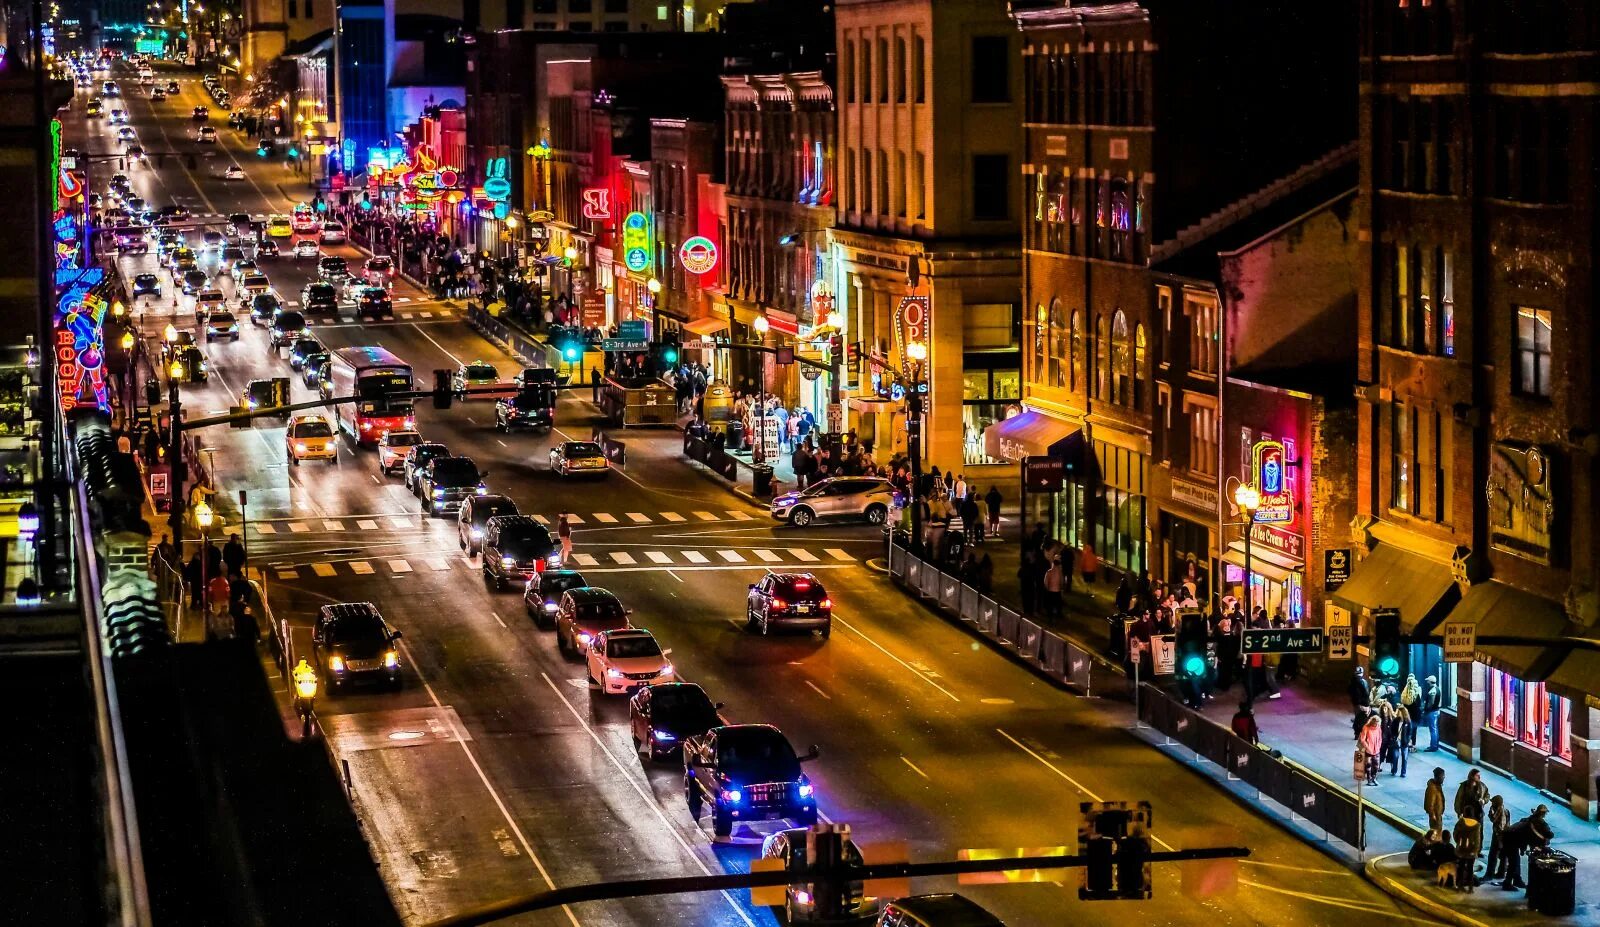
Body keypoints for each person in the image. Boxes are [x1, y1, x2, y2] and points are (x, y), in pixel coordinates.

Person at [1500, 805, 1554, 891]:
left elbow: (1526, 836)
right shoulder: (1539, 823)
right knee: (1513, 863)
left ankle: (1517, 880)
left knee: (1516, 861)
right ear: (1543, 813)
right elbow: (1548, 834)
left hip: (1509, 836)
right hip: (1510, 839)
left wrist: (1523, 849)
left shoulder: (1532, 819)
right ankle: (1507, 883)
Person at [1455, 769, 1490, 853]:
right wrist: (1459, 812)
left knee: (1479, 832)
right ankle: (1466, 848)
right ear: (1472, 776)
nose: (1479, 777)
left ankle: (1478, 850)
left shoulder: (1482, 786)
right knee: (1467, 831)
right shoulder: (1464, 786)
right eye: (1477, 775)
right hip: (1467, 813)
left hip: (1478, 813)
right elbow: (1458, 799)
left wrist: (1484, 801)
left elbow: (1487, 795)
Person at [1484, 795, 1511, 882]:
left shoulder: (1499, 809)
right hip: (1505, 835)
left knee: (1493, 855)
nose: (1491, 804)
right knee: (1503, 855)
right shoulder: (1506, 810)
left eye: (1493, 802)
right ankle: (1501, 873)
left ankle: (1489, 874)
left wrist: (1491, 811)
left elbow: (1493, 819)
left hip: (1498, 835)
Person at [1359, 715, 1383, 786]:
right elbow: (1362, 739)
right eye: (1376, 722)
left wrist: (1379, 746)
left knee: (1376, 765)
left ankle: (1374, 778)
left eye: (1378, 722)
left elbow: (1380, 738)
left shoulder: (1378, 728)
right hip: (1369, 750)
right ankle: (1369, 779)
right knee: (1368, 765)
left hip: (1376, 749)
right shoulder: (1366, 727)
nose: (1377, 724)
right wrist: (1367, 747)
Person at [1389, 705, 1413, 777]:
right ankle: (1394, 770)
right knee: (1395, 756)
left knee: (1404, 757)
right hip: (1396, 741)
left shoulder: (1408, 722)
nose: (1398, 713)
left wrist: (1407, 741)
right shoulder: (1396, 721)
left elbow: (1410, 732)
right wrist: (1393, 738)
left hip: (1404, 742)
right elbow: (1392, 730)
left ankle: (1403, 773)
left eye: (1399, 712)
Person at [1422, 675, 1443, 751]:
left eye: (1428, 681)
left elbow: (1430, 703)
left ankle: (1433, 746)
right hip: (1436, 711)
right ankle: (1435, 745)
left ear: (1430, 682)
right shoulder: (1437, 688)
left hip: (1432, 712)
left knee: (1433, 729)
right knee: (1435, 728)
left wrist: (1426, 710)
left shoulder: (1432, 691)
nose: (1427, 682)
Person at [1454, 828, 1479, 892]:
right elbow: (1477, 840)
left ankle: (1460, 886)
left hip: (1462, 849)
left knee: (1461, 868)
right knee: (1470, 869)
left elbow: (1455, 835)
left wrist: (1459, 842)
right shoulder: (1476, 826)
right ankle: (1470, 888)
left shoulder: (1461, 824)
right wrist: (1475, 850)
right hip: (1471, 851)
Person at [1424, 768, 1448, 833]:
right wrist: (1433, 815)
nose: (1444, 777)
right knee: (1436, 832)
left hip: (1438, 814)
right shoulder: (1432, 788)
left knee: (1438, 831)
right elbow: (1430, 804)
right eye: (1443, 776)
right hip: (1435, 816)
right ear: (1438, 777)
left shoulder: (1437, 786)